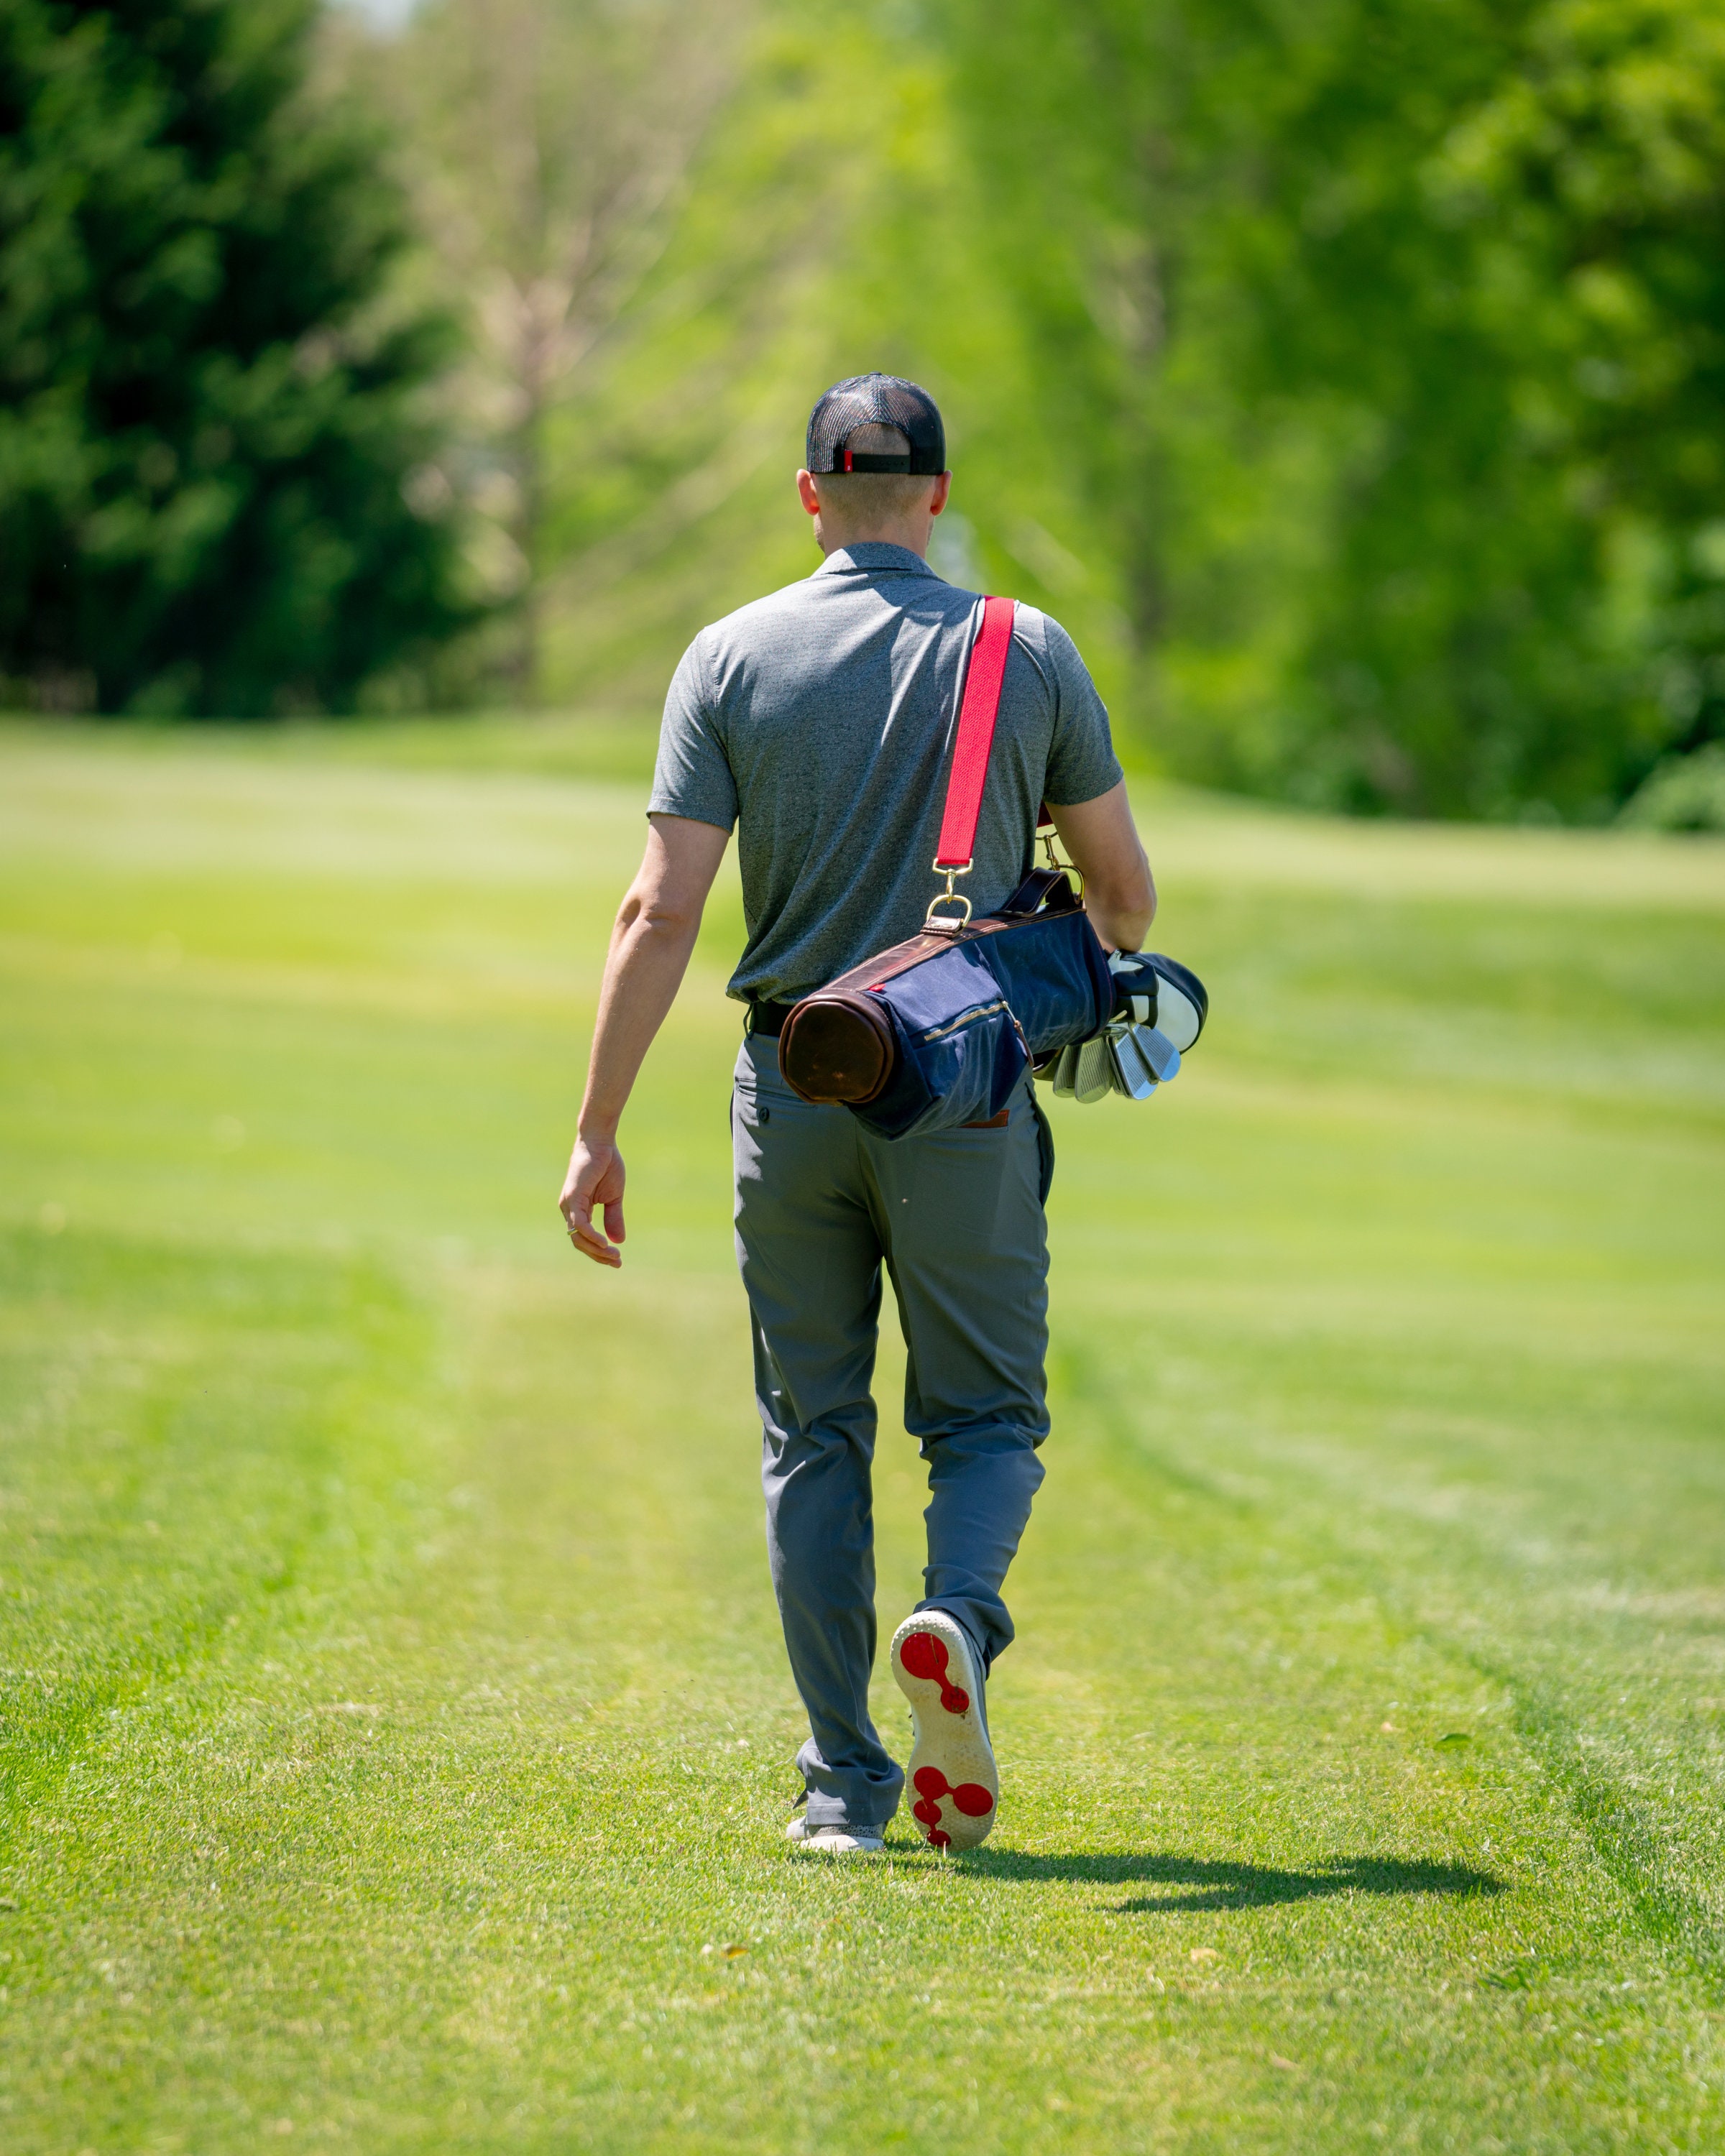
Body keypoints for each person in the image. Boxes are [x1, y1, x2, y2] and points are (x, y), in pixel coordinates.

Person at [558, 374, 1154, 1855]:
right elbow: (1129, 902)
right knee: (989, 1417)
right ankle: (950, 1617)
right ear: (937, 497)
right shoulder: (1031, 650)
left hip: (792, 1082)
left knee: (812, 1434)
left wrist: (597, 1128)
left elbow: (661, 905)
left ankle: (844, 1789)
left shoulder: (729, 655)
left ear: (810, 493)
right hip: (964, 1097)